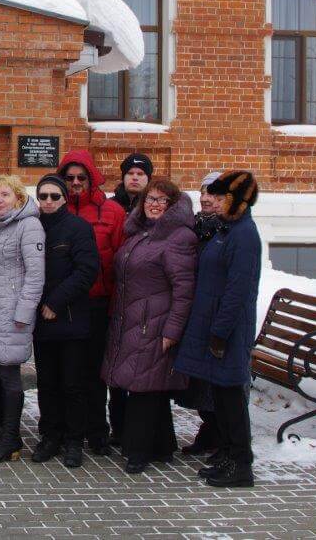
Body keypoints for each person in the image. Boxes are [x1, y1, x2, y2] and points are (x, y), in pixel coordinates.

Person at [102, 177, 197, 474]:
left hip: (155, 323)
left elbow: (184, 289)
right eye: (149, 200)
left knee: (144, 387)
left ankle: (137, 451)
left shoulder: (179, 237)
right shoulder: (141, 233)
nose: (154, 206)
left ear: (172, 206)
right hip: (133, 319)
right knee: (149, 384)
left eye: (161, 201)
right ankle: (163, 446)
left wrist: (172, 329)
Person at [175, 171, 261, 488]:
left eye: (223, 197)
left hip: (228, 332)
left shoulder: (244, 235)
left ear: (238, 200)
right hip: (215, 328)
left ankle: (241, 464)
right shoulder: (227, 230)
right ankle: (226, 454)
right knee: (222, 401)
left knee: (232, 400)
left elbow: (238, 291)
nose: (217, 201)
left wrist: (220, 333)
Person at [56, 149, 126, 454]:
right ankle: (67, 429)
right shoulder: (53, 209)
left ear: (91, 179)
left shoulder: (111, 212)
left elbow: (120, 259)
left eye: (81, 177)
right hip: (63, 304)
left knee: (95, 372)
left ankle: (98, 432)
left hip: (97, 302)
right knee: (67, 372)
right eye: (69, 178)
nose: (75, 183)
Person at [32, 174, 100, 468]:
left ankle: (74, 441)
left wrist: (56, 302)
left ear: (63, 199)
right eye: (43, 196)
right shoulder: (32, 228)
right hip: (41, 321)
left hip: (70, 320)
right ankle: (50, 436)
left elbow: (87, 271)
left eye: (54, 196)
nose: (48, 201)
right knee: (47, 384)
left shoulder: (78, 228)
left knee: (73, 384)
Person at [0, 175, 44, 462]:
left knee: (9, 375)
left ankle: (11, 438)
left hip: (13, 313)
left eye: (5, 195)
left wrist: (23, 313)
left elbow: (35, 275)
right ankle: (7, 435)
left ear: (18, 197)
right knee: (1, 373)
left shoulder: (29, 225)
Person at [176, 171, 225, 457]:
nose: (205, 198)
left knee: (217, 381)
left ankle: (223, 436)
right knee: (200, 381)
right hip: (197, 312)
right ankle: (211, 430)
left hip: (218, 316)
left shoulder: (231, 231)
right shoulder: (198, 227)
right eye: (204, 192)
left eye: (214, 194)